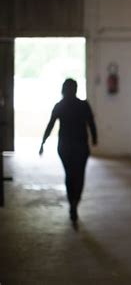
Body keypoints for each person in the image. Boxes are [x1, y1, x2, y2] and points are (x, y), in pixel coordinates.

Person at [39, 78, 97, 224]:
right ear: (76, 89)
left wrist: (43, 143)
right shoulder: (83, 105)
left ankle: (72, 203)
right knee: (79, 176)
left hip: (65, 147)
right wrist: (95, 139)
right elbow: (91, 123)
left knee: (69, 175)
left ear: (63, 90)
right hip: (81, 147)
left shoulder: (60, 106)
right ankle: (75, 202)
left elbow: (50, 125)